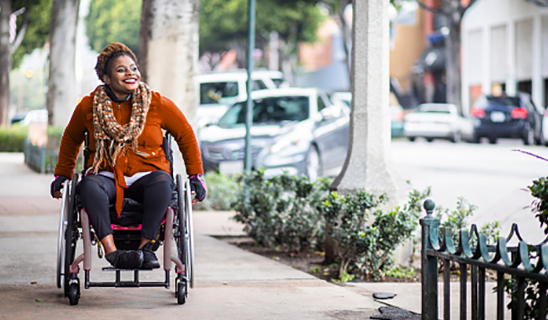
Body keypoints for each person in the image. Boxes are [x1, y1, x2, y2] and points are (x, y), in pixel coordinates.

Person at [50, 42, 207, 270]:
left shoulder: (156, 103)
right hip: (107, 175)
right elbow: (71, 139)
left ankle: (145, 249)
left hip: (149, 176)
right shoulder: (88, 107)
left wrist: (196, 176)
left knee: (164, 184)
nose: (130, 74)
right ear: (106, 78)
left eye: (133, 68)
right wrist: (62, 175)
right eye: (121, 70)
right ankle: (114, 253)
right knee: (89, 187)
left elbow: (185, 134)